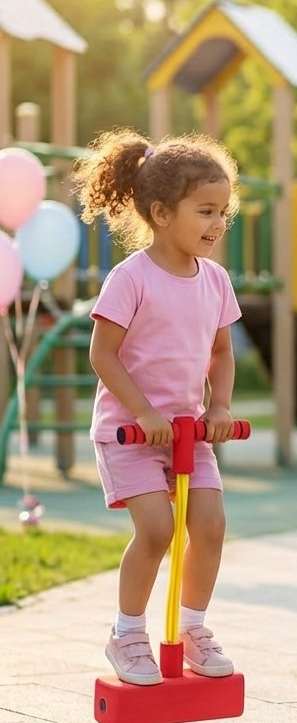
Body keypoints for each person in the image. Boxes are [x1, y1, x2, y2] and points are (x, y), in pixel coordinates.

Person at [74, 128, 242, 686]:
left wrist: (220, 409)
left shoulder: (215, 280)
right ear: (161, 213)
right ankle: (126, 635)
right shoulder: (132, 277)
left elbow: (220, 353)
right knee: (155, 530)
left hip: (189, 433)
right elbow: (103, 353)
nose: (218, 225)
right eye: (206, 211)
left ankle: (192, 627)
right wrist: (143, 412)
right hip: (131, 431)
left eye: (223, 211)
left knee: (211, 526)